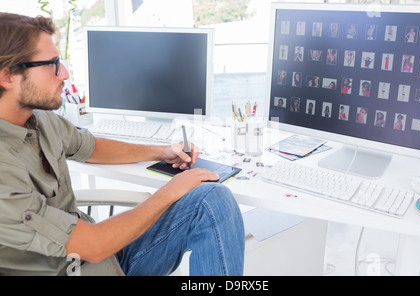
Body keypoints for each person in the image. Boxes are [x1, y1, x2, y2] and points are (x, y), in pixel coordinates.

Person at [0, 13, 245, 276]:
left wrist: (161, 151)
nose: (65, 74)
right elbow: (93, 246)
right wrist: (170, 191)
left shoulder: (39, 119)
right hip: (81, 264)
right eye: (52, 64)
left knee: (211, 199)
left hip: (105, 259)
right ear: (8, 76)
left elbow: (90, 146)